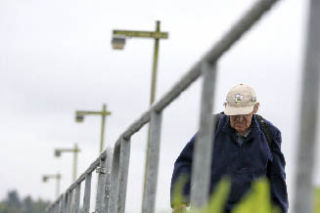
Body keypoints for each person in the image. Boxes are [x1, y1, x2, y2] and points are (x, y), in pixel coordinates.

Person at [170, 84, 288, 213]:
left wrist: (279, 209)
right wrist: (179, 201)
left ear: (255, 108)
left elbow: (277, 177)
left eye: (244, 114)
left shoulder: (270, 134)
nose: (239, 119)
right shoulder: (212, 128)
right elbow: (186, 162)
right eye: (234, 114)